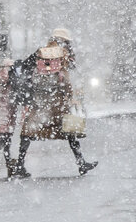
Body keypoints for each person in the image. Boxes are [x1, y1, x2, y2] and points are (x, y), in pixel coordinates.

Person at [10, 29, 97, 178]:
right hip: (58, 101)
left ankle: (19, 165)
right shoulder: (65, 55)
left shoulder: (41, 52)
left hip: (40, 101)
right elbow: (70, 76)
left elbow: (24, 67)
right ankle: (81, 163)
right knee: (69, 131)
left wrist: (30, 88)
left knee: (28, 132)